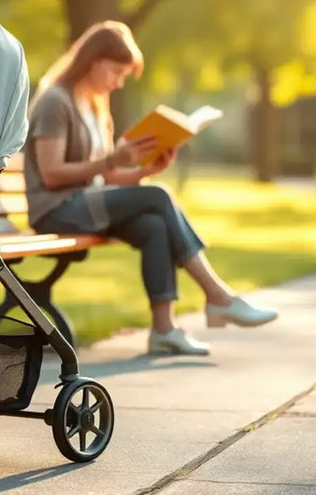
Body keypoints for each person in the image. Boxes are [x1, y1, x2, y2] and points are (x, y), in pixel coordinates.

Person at [24, 21, 277, 356]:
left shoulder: (96, 106)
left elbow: (103, 177)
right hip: (56, 210)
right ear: (93, 60)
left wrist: (144, 171)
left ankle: (164, 330)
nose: (118, 83)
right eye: (116, 72)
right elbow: (51, 174)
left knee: (153, 225)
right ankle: (218, 296)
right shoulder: (55, 101)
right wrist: (113, 159)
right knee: (159, 197)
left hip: (85, 203)